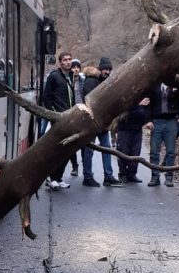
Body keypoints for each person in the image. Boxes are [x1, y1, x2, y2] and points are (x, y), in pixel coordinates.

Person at [81, 57, 121, 187]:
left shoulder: (105, 81)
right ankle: (88, 176)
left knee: (106, 149)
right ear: (100, 68)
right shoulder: (91, 81)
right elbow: (89, 100)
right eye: (105, 69)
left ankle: (108, 176)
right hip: (91, 122)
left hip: (103, 122)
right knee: (89, 150)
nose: (107, 72)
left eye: (109, 69)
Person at [42, 51, 75, 189]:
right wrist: (54, 114)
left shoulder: (71, 76)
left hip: (70, 118)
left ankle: (59, 177)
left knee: (66, 150)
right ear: (60, 62)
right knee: (56, 150)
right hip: (58, 119)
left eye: (69, 59)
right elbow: (46, 98)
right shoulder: (54, 77)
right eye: (65, 60)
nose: (68, 62)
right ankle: (51, 178)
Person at [147, 79, 179, 187]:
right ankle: (155, 177)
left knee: (170, 151)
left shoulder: (176, 84)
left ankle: (169, 177)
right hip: (156, 121)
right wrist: (149, 120)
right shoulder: (153, 85)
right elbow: (149, 103)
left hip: (171, 120)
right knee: (154, 151)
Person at [116, 97, 151, 182]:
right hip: (124, 128)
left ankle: (132, 174)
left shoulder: (145, 93)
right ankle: (122, 174)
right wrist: (138, 104)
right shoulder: (127, 93)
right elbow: (122, 106)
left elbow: (148, 108)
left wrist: (148, 120)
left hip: (137, 128)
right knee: (123, 151)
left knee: (136, 152)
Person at [69, 59, 84, 176]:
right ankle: (74, 165)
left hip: (82, 112)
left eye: (77, 67)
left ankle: (85, 166)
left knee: (84, 141)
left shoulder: (84, 80)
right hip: (71, 113)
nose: (76, 69)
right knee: (71, 143)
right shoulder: (68, 80)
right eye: (74, 67)